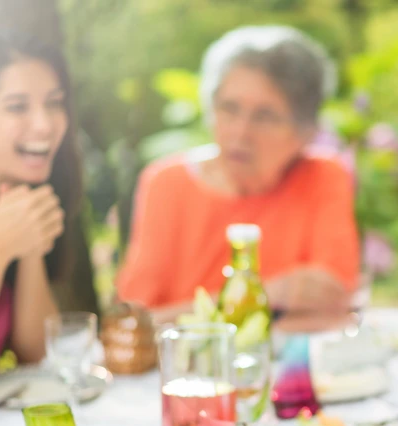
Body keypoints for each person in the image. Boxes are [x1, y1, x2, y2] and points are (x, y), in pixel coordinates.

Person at [116, 26, 359, 323]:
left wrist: (210, 312)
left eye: (265, 116)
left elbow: (332, 306)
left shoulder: (323, 176)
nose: (240, 133)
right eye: (229, 108)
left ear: (305, 132)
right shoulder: (167, 184)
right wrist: (265, 295)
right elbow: (134, 324)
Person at [0, 30, 81, 377]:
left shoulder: (17, 203)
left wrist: (27, 243)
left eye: (54, 103)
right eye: (17, 107)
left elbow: (36, 351)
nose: (44, 125)